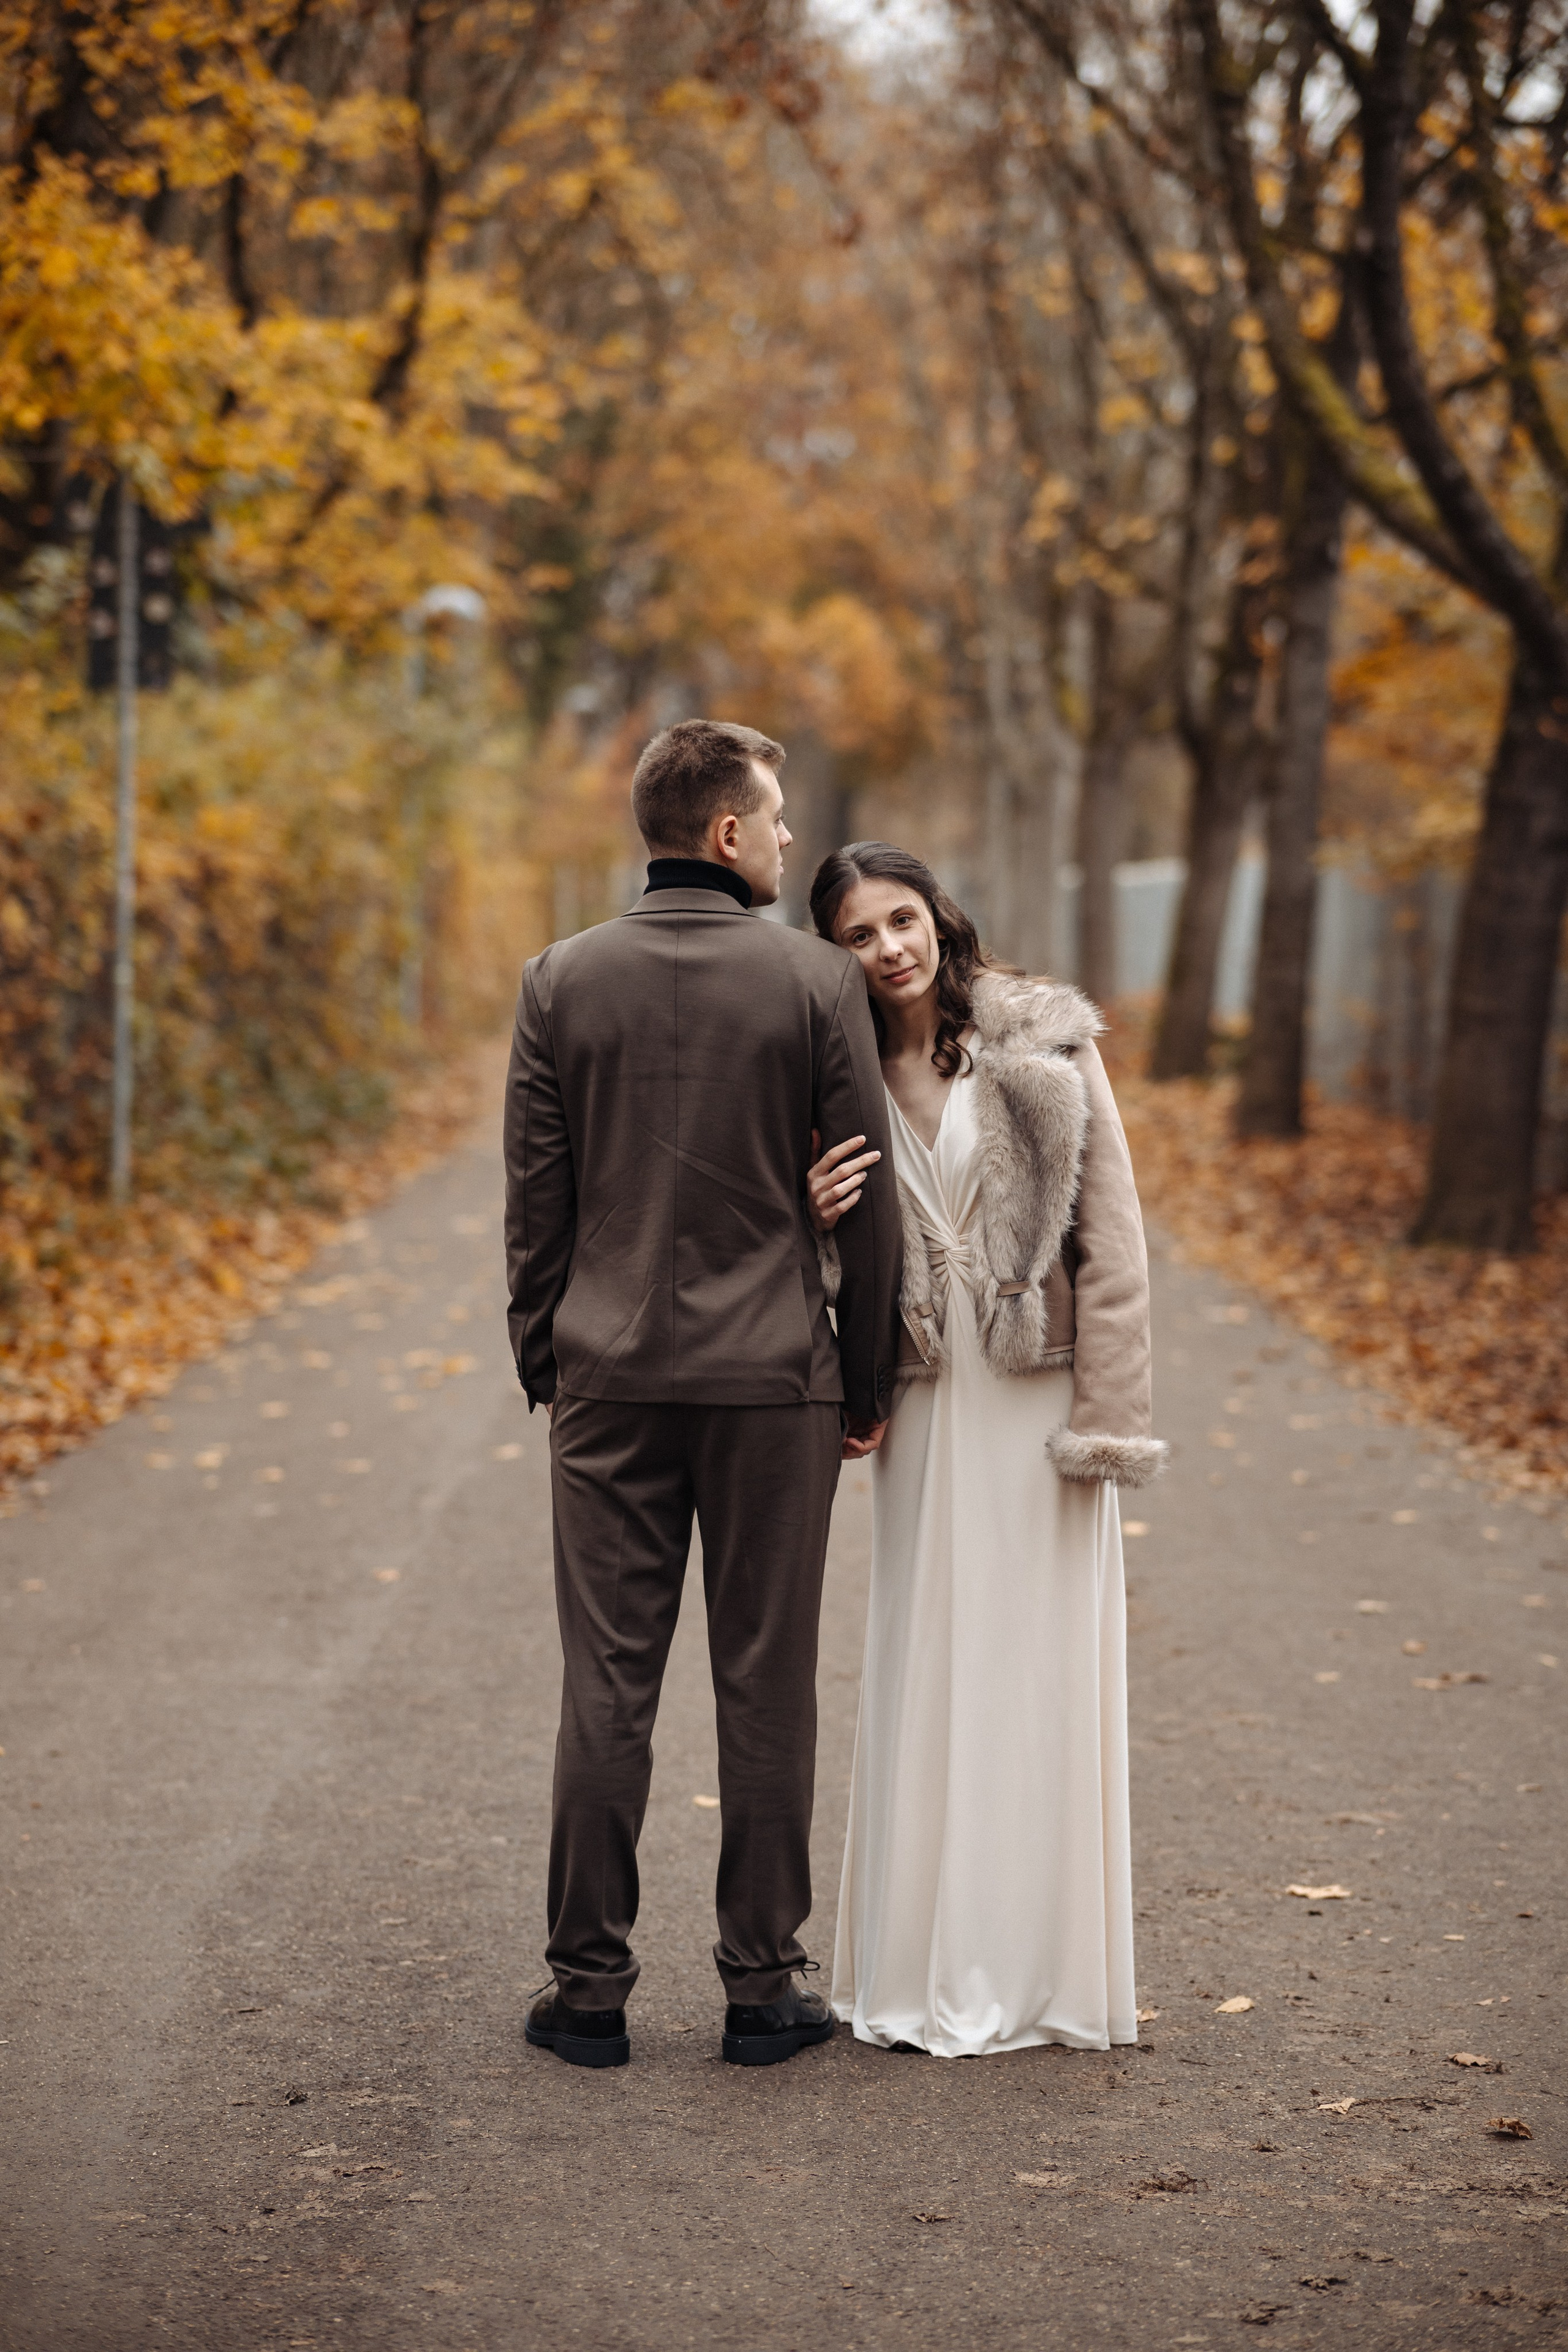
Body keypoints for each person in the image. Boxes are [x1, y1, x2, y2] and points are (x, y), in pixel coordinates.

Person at [504, 723, 902, 2070]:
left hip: (607, 1381)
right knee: (764, 1682)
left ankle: (586, 1993)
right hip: (773, 1383)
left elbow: (535, 1203)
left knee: (605, 1685)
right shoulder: (810, 980)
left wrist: (545, 1358)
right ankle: (759, 1987)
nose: (790, 840)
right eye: (777, 819)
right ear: (725, 834)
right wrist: (862, 1381)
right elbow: (869, 1203)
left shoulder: (560, 980)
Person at [805, 842, 1165, 2059]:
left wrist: (1106, 1423)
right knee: (929, 1652)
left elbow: (1110, 1244)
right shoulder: (832, 1071)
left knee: (1034, 1664)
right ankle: (921, 1960)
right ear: (836, 954)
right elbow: (804, 1257)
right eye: (858, 934)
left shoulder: (1040, 1048)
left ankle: (1034, 1968)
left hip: (1035, 1396)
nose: (887, 947)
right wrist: (808, 1221)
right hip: (918, 1397)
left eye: (900, 919)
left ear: (937, 919)